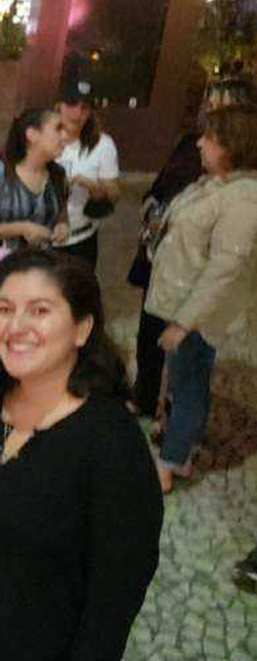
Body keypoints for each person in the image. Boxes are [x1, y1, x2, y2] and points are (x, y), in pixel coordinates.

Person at [0, 248, 163, 661]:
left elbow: (114, 596)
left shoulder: (111, 445)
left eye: (40, 310)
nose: (16, 326)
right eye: (4, 309)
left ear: (82, 328)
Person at [144, 104, 257, 493]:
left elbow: (225, 268)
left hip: (196, 313)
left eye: (209, 137)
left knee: (189, 382)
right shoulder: (216, 184)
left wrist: (183, 322)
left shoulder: (243, 199)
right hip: (181, 302)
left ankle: (171, 462)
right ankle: (182, 450)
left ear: (231, 145)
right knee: (184, 379)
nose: (199, 143)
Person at [130, 79, 254, 425]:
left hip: (190, 289)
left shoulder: (239, 191)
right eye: (208, 100)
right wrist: (155, 211)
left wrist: (185, 321)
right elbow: (164, 188)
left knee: (187, 370)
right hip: (166, 271)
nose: (209, 107)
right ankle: (146, 400)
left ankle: (175, 440)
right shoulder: (195, 152)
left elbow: (225, 265)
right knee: (152, 341)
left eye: (220, 102)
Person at [0, 107, 69, 359]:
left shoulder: (57, 175)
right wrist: (21, 228)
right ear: (32, 135)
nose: (64, 136)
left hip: (38, 274)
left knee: (23, 342)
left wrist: (63, 227)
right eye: (58, 129)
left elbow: (61, 214)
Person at [54, 80, 119, 270]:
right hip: (40, 239)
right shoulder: (43, 135)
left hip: (80, 241)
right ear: (59, 105)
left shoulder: (103, 145)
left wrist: (93, 187)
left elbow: (114, 195)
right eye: (71, 105)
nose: (77, 114)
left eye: (84, 108)